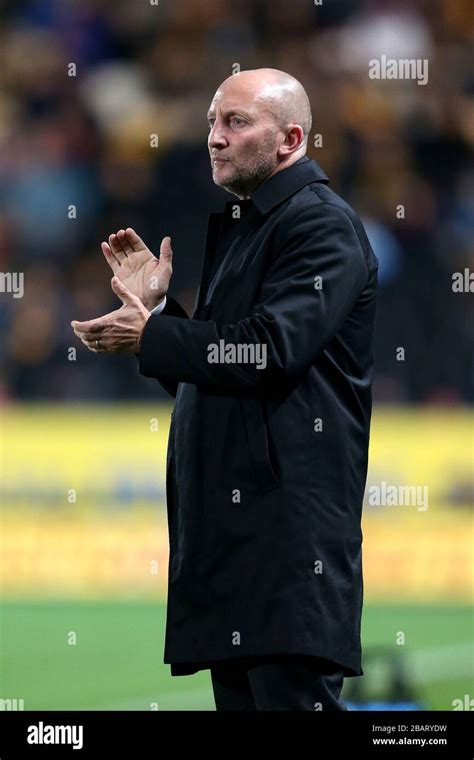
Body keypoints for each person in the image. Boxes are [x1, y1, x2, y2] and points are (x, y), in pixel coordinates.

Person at [72, 68, 378, 711]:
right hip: (236, 549)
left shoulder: (319, 226)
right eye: (212, 122)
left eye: (236, 122)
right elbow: (227, 377)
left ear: (291, 138)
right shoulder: (252, 227)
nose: (214, 138)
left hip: (287, 552)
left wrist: (152, 338)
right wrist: (160, 317)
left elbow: (267, 351)